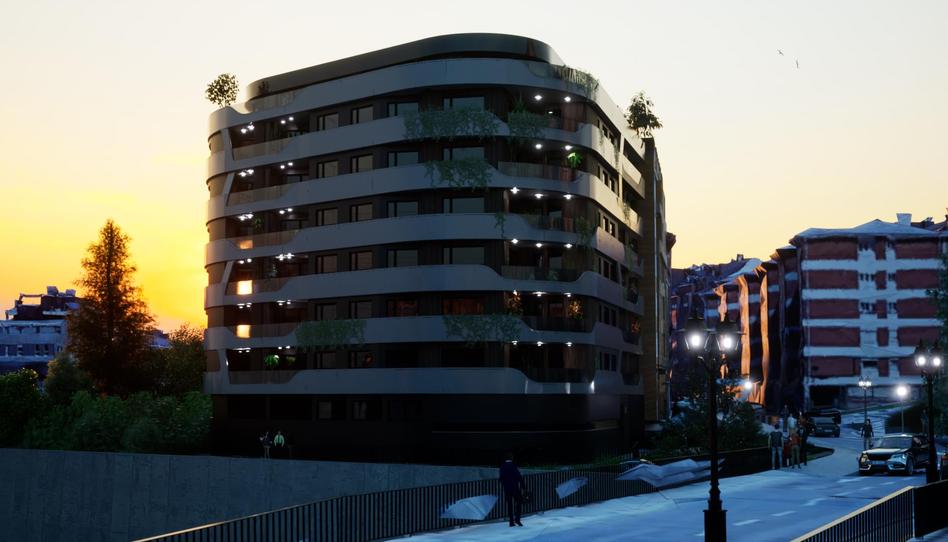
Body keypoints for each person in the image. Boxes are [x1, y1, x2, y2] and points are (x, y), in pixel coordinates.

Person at [499, 453, 525, 527]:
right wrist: (523, 486)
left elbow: (501, 478)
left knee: (510, 505)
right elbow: (518, 476)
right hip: (515, 488)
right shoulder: (513, 466)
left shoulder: (502, 466)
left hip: (507, 489)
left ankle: (511, 522)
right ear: (511, 458)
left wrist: (505, 485)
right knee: (519, 502)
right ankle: (517, 519)